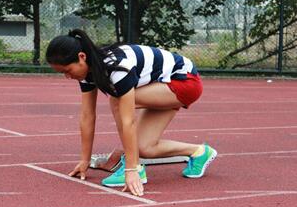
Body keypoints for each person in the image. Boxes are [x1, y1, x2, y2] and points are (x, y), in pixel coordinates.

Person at [45, 29, 216, 197]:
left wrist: (131, 169)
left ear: (82, 57)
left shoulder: (117, 67)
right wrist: (85, 160)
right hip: (160, 83)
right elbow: (87, 116)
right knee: (144, 147)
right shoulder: (87, 71)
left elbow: (129, 120)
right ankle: (199, 152)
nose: (67, 77)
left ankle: (134, 165)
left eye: (67, 70)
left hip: (185, 82)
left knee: (117, 98)